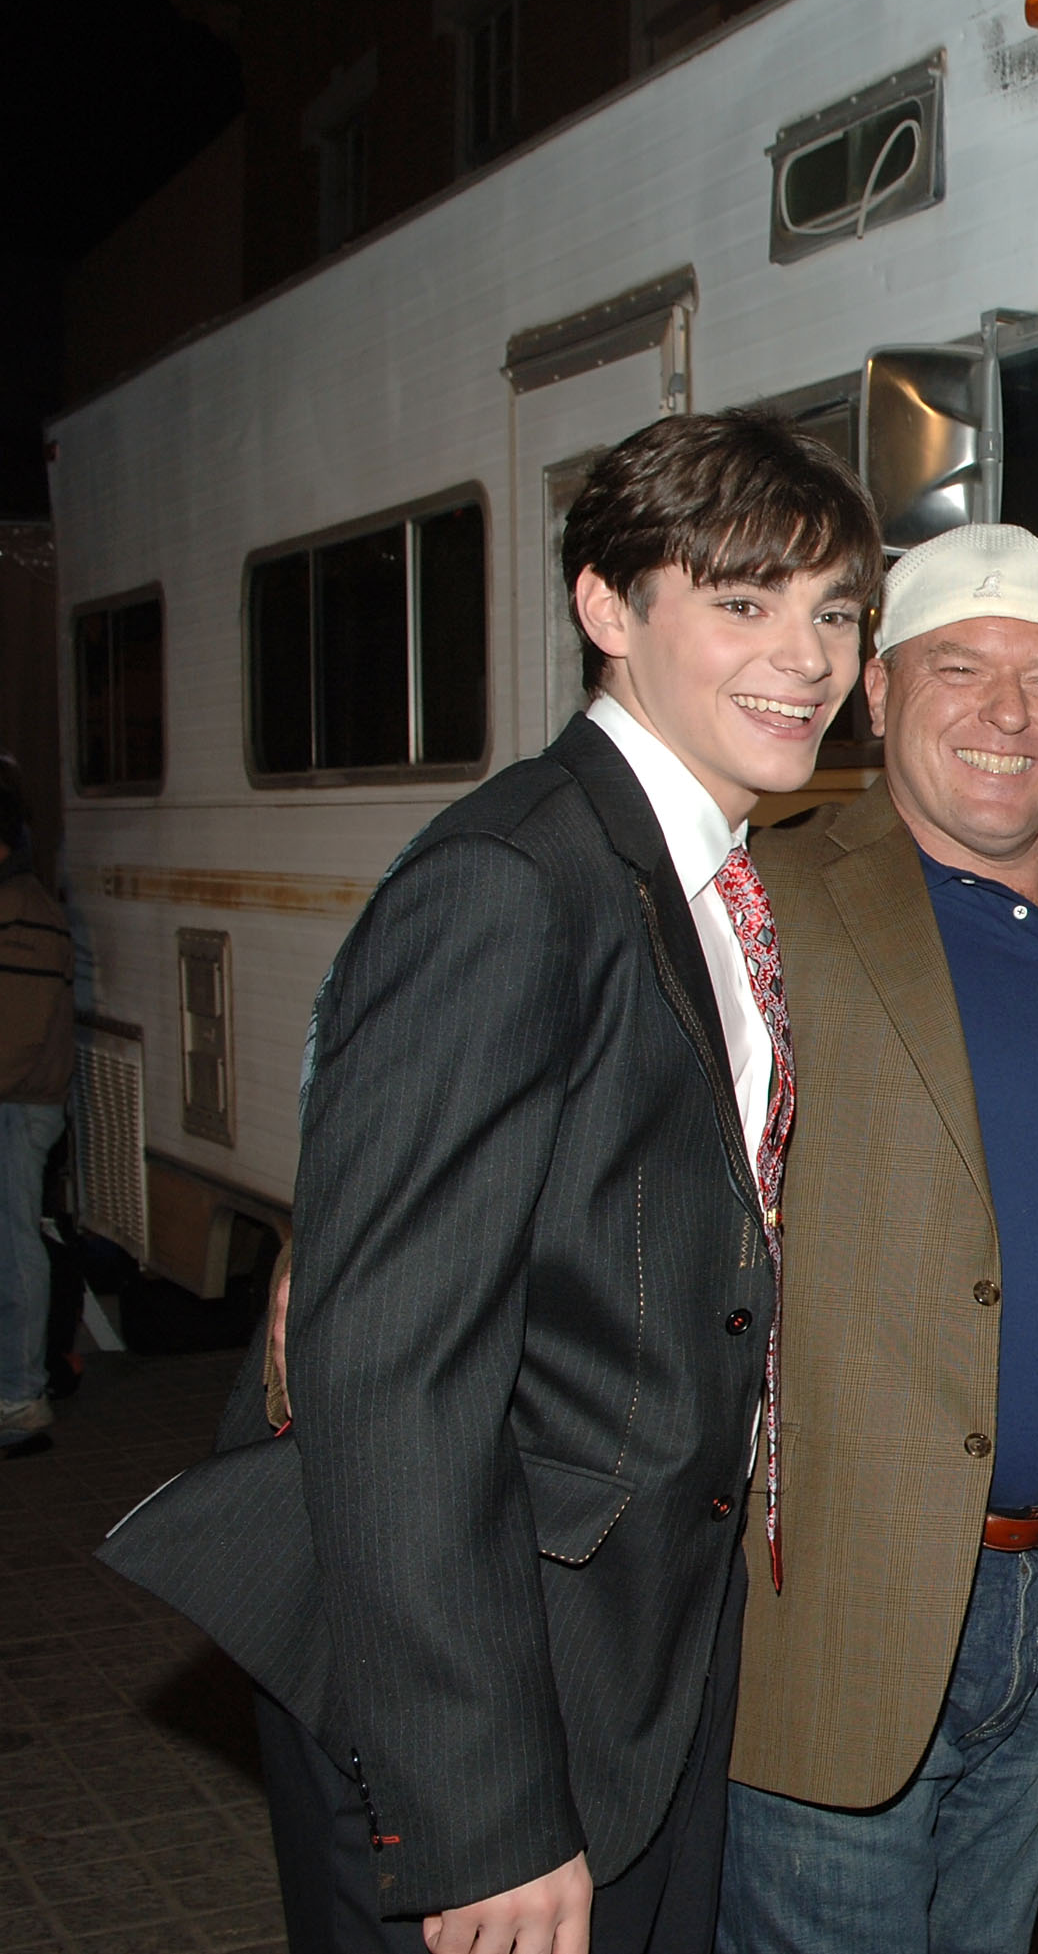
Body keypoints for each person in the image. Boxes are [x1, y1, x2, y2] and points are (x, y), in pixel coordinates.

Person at [99, 408, 880, 1952]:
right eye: (745, 602)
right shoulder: (514, 880)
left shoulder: (699, 871)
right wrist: (479, 1807)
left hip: (628, 1650)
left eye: (838, 612)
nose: (808, 658)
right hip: (492, 1693)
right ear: (608, 607)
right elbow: (388, 1364)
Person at [717, 522, 1038, 1952]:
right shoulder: (769, 901)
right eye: (960, 668)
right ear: (879, 690)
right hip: (846, 1596)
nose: (1008, 714)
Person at [0, 767, 72, 1460]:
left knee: (14, 1246)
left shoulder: (22, 909)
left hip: (18, 1105)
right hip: (16, 1100)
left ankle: (21, 1395)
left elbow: (17, 1033)